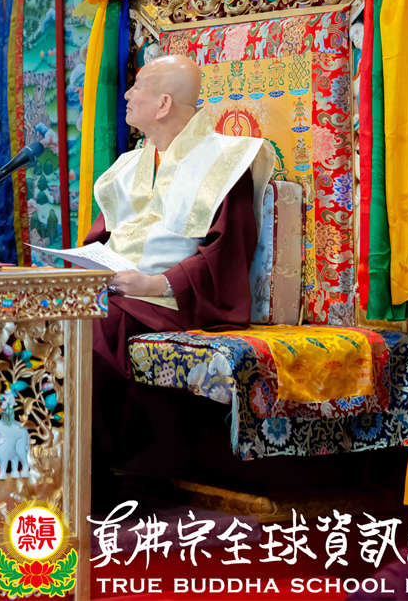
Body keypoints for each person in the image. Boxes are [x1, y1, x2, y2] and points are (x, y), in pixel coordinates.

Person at [82, 55, 271, 496]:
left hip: (174, 298)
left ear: (164, 103)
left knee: (94, 326)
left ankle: (94, 473)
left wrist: (156, 284)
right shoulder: (129, 165)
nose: (127, 95)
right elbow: (102, 237)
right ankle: (54, 459)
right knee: (57, 317)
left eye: (137, 87)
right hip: (117, 290)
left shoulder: (225, 161)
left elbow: (228, 250)